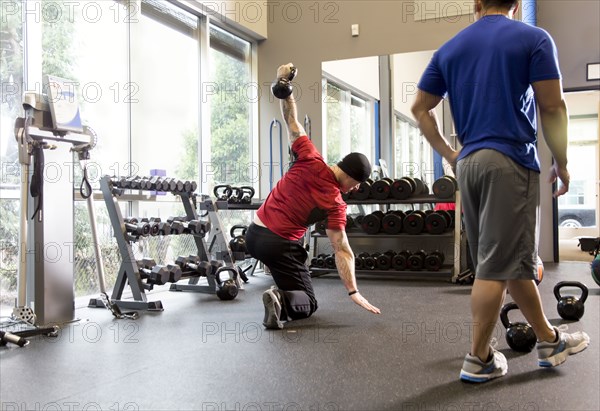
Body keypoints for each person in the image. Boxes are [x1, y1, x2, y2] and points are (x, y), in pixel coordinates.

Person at [411, 0, 590, 383]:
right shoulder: (533, 38)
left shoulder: (450, 47)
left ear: (476, 1)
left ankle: (549, 339)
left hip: (470, 164)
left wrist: (451, 154)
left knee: (507, 261)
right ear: (516, 3)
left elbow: (420, 109)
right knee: (495, 266)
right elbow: (553, 106)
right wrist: (561, 159)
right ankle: (478, 358)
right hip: (508, 161)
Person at [246, 63, 381, 330]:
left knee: (295, 268)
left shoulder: (309, 155)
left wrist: (284, 84)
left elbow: (291, 119)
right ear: (352, 177)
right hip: (279, 244)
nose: (354, 190)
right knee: (308, 302)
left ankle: (282, 291)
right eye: (356, 185)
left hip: (253, 235)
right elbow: (342, 250)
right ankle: (280, 300)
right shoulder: (335, 203)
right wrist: (353, 291)